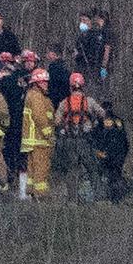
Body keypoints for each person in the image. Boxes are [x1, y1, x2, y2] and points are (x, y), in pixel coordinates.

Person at [55, 72, 106, 201]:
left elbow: (56, 121)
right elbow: (102, 114)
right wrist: (93, 123)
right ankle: (98, 197)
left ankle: (72, 199)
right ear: (82, 85)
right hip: (85, 140)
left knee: (72, 170)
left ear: (71, 86)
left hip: (70, 141)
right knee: (92, 169)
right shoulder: (89, 101)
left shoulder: (64, 102)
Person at [21, 68, 56, 197]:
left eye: (46, 82)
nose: (46, 84)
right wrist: (49, 135)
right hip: (39, 140)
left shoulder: (34, 95)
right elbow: (40, 117)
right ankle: (41, 196)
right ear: (36, 83)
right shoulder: (36, 96)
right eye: (43, 82)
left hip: (33, 140)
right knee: (41, 169)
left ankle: (31, 192)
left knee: (32, 170)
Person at [0, 52, 25, 180]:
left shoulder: (14, 79)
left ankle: (10, 174)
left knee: (11, 148)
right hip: (3, 118)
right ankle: (6, 175)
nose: (5, 67)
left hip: (13, 119)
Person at [92, 101, 129, 203]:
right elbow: (124, 139)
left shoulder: (100, 121)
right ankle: (116, 197)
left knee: (103, 174)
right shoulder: (118, 120)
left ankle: (106, 197)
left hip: (106, 153)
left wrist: (99, 151)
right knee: (116, 174)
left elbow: (96, 137)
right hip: (119, 153)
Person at [73, 11, 113, 94]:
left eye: (85, 20)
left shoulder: (95, 36)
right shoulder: (80, 37)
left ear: (90, 21)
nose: (82, 23)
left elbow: (100, 52)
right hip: (81, 69)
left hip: (92, 70)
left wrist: (103, 67)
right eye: (81, 20)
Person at [46, 42, 71, 111]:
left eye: (49, 53)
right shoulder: (65, 69)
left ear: (55, 54)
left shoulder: (54, 69)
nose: (47, 56)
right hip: (63, 102)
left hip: (55, 103)